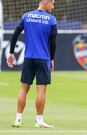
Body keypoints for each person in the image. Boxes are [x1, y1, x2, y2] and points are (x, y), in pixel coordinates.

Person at [8, 0, 57, 128]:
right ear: (45, 2)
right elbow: (53, 42)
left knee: (24, 88)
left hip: (28, 58)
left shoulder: (26, 16)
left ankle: (18, 119)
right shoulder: (51, 20)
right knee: (41, 90)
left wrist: (11, 53)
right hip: (43, 58)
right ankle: (39, 121)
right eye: (52, 3)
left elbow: (15, 34)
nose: (53, 6)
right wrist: (52, 58)